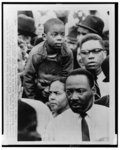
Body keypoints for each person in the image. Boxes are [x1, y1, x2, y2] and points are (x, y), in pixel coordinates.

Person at [44, 69, 109, 143]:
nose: (73, 97)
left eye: (80, 91)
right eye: (69, 92)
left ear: (93, 90)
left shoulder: (109, 117)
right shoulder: (55, 125)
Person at [23, 18, 73, 100]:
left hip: (58, 90)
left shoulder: (67, 53)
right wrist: (32, 99)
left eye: (62, 34)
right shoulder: (36, 53)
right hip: (38, 90)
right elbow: (28, 77)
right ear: (44, 36)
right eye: (54, 34)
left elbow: (67, 76)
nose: (60, 38)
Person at [77, 33, 108, 99]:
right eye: (85, 52)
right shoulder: (77, 81)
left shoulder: (114, 78)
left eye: (96, 51)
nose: (90, 56)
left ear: (104, 54)